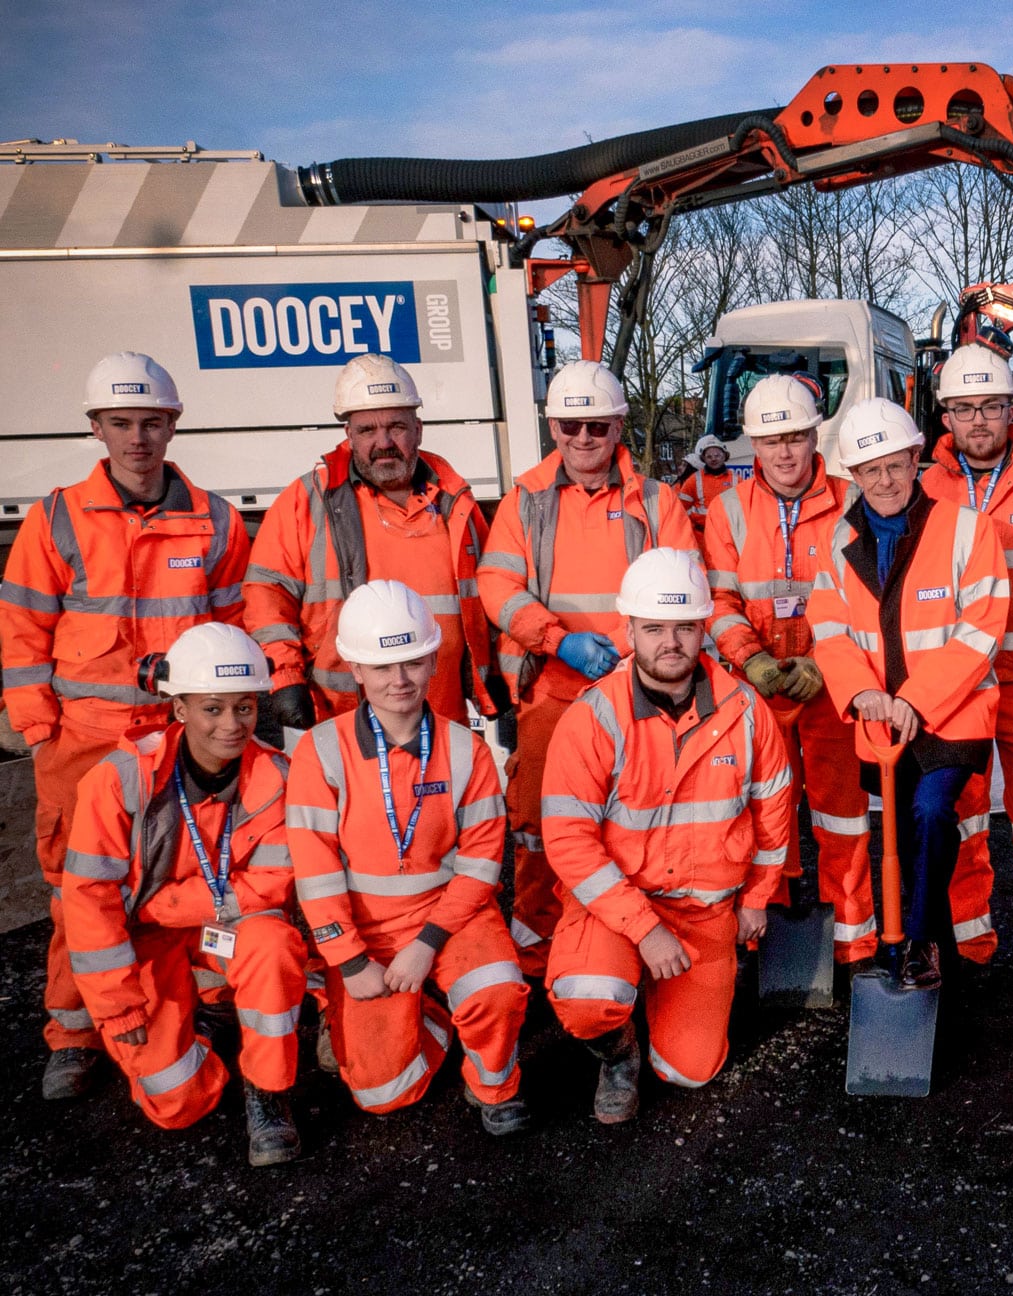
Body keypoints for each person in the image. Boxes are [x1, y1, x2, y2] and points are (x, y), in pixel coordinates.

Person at [1, 351, 250, 1100]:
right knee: (79, 890)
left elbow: (235, 622)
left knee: (201, 871)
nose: (137, 438)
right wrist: (39, 726)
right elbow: (21, 629)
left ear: (173, 425)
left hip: (182, 737)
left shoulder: (214, 517)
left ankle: (209, 996)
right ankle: (72, 1031)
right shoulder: (55, 518)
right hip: (86, 740)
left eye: (151, 422)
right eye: (120, 423)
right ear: (96, 428)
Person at [540, 549, 793, 1121]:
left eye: (684, 627)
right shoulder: (594, 717)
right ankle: (619, 1051)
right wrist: (645, 930)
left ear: (704, 628)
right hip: (616, 908)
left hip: (705, 910)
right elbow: (568, 842)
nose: (670, 642)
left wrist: (756, 898)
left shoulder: (746, 711)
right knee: (589, 999)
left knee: (691, 1071)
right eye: (654, 628)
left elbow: (774, 811)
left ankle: (663, 1002)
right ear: (627, 629)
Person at [478, 359, 697, 976]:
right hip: (552, 684)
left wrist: (630, 654)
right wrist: (556, 639)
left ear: (619, 426)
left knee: (636, 814)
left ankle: (626, 937)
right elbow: (497, 582)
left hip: (636, 687)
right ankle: (536, 946)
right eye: (569, 426)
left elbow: (682, 584)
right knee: (541, 824)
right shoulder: (526, 499)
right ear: (553, 427)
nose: (581, 439)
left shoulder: (656, 502)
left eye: (595, 427)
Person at [287, 581, 530, 1136]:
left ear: (432, 659)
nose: (399, 680)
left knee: (495, 986)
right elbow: (316, 870)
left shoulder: (466, 748)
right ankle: (422, 1014)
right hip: (364, 928)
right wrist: (349, 962)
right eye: (381, 666)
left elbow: (483, 861)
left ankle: (496, 1083)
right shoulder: (321, 751)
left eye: (412, 662)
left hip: (452, 915)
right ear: (355, 670)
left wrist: (428, 943)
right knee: (383, 1094)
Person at [60, 624, 305, 1164]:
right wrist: (120, 1007)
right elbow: (89, 901)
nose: (231, 724)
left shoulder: (278, 777)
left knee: (273, 944)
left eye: (244, 708)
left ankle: (268, 1093)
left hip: (219, 928)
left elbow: (274, 883)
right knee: (177, 1102)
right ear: (180, 710)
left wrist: (165, 903)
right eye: (212, 709)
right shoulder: (119, 780)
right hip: (143, 941)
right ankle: (196, 1026)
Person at [807, 398, 1009, 987]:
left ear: (917, 459)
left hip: (953, 717)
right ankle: (922, 936)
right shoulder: (837, 539)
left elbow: (981, 629)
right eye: (871, 470)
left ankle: (919, 942)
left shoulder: (967, 529)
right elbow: (830, 628)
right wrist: (861, 693)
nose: (885, 480)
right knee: (899, 826)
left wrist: (916, 700)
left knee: (928, 814)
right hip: (881, 724)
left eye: (895, 465)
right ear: (854, 476)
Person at [703, 374, 872, 960]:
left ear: (813, 435)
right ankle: (769, 938)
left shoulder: (853, 500)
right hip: (760, 690)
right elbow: (718, 602)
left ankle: (853, 947)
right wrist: (750, 661)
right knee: (765, 812)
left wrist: (826, 662)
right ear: (753, 444)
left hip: (833, 688)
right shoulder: (726, 509)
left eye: (795, 438)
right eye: (770, 441)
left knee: (842, 816)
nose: (783, 453)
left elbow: (866, 600)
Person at [244, 353, 502, 735]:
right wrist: (286, 676)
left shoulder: (454, 502)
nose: (383, 443)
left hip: (442, 719)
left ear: (418, 429)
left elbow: (490, 595)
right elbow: (267, 594)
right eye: (367, 430)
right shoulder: (308, 501)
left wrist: (501, 678)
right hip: (343, 722)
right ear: (348, 434)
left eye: (396, 426)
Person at [923, 345, 1013, 962]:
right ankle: (970, 938)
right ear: (946, 416)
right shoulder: (925, 484)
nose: (978, 421)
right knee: (966, 812)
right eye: (965, 408)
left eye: (992, 407)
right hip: (959, 682)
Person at [676, 435, 735, 538]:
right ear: (703, 458)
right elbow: (680, 508)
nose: (713, 459)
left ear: (724, 456)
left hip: (728, 535)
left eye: (717, 455)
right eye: (709, 456)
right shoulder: (694, 480)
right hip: (701, 535)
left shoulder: (736, 480)